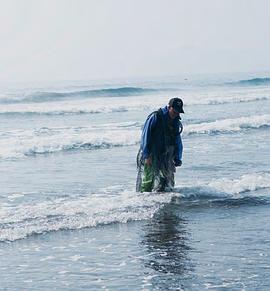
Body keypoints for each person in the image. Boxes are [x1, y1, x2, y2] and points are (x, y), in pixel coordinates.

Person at [136, 98, 184, 192]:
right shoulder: (155, 117)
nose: (176, 114)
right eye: (174, 111)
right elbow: (145, 136)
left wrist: (178, 158)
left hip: (167, 155)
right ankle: (143, 202)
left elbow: (178, 140)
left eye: (178, 112)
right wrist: (146, 155)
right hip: (151, 154)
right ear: (169, 107)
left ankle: (165, 203)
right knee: (148, 180)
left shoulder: (176, 121)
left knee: (167, 181)